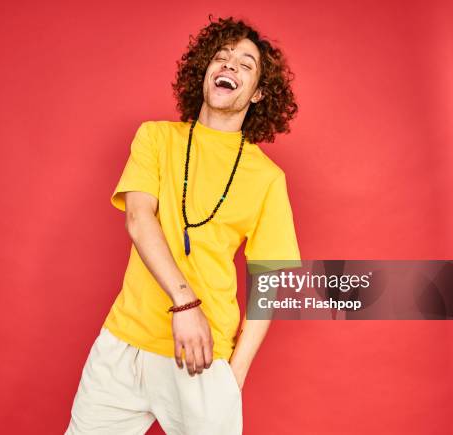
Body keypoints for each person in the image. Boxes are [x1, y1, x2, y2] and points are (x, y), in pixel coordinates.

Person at [65, 15, 301, 435]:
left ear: (259, 93)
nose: (230, 66)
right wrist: (185, 304)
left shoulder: (267, 178)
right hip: (125, 346)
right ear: (205, 71)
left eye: (246, 65)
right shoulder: (156, 138)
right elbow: (139, 219)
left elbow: (271, 282)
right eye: (222, 57)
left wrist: (235, 376)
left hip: (204, 358)